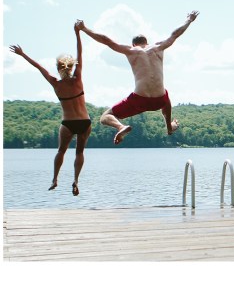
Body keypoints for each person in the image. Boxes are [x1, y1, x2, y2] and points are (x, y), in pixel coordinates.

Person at [77, 11, 198, 145]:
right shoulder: (158, 47)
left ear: (134, 44)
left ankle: (120, 127)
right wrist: (189, 20)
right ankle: (169, 127)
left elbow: (107, 41)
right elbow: (175, 34)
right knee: (165, 95)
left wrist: (84, 28)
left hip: (140, 99)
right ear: (147, 43)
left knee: (105, 116)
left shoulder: (131, 50)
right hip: (159, 100)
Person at [10, 22, 91, 196]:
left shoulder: (55, 83)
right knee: (79, 152)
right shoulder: (78, 79)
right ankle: (76, 180)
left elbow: (39, 67)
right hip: (84, 121)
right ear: (72, 66)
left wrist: (22, 54)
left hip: (68, 123)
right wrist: (78, 33)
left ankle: (55, 179)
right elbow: (80, 53)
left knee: (61, 151)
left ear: (58, 68)